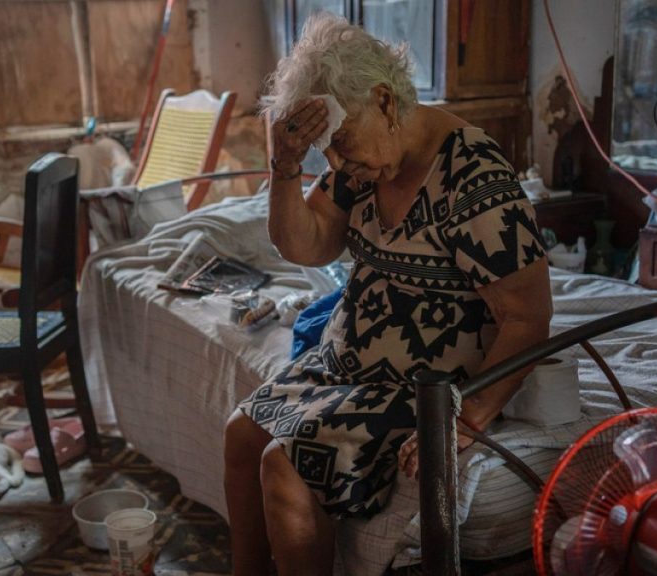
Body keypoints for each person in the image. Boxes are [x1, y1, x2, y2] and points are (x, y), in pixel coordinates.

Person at [223, 13, 552, 576]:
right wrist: (283, 170)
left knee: (285, 464)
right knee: (241, 433)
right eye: (327, 151)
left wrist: (462, 423)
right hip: (345, 361)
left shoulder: (473, 177)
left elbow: (529, 316)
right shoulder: (362, 158)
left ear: (385, 101)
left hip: (423, 387)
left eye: (341, 145)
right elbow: (309, 245)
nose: (337, 164)